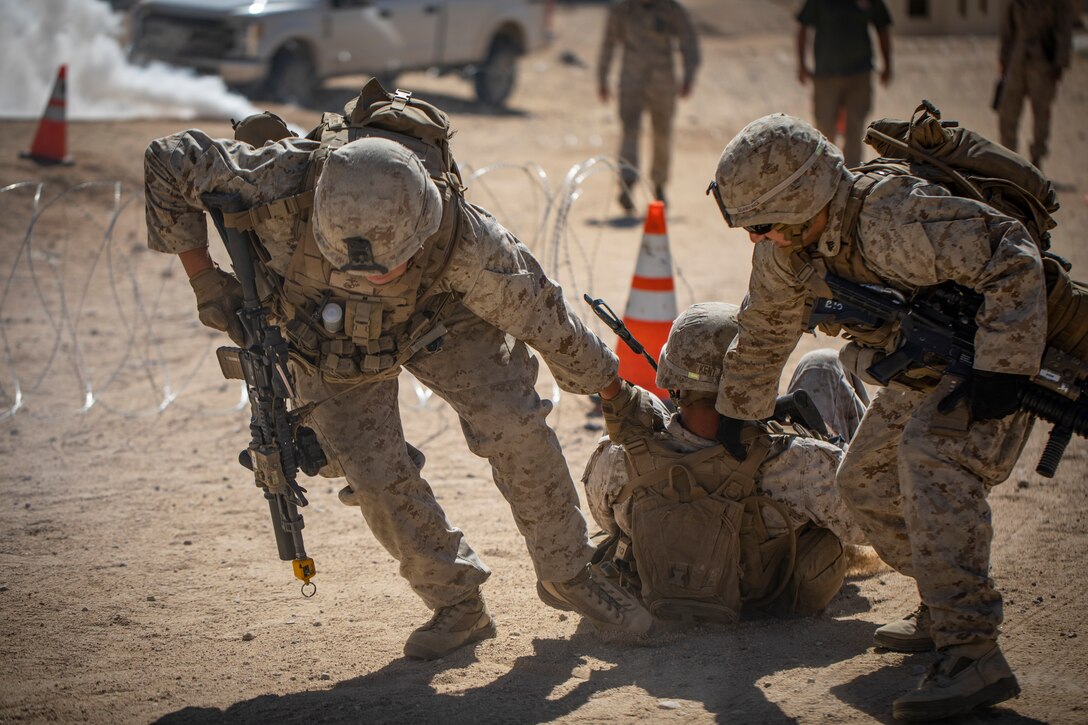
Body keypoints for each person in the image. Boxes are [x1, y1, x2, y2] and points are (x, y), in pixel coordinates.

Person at [143, 121, 653, 661]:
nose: (374, 279)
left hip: (439, 317)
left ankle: (567, 571)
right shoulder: (275, 179)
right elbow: (166, 159)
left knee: (513, 420)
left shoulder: (468, 243)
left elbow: (550, 320)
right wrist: (203, 280)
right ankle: (456, 603)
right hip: (325, 335)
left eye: (389, 267)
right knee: (369, 466)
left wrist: (613, 390)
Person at [707, 114, 1047, 720]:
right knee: (861, 480)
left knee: (930, 461)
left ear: (801, 201)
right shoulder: (790, 248)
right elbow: (763, 330)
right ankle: (943, 608)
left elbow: (1013, 252)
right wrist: (739, 412)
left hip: (1002, 362)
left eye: (763, 224)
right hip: (929, 371)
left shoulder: (892, 219)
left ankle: (971, 653)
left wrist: (1004, 366)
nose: (757, 239)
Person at [586, 301, 869, 623]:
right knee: (824, 362)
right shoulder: (802, 464)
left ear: (672, 379)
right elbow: (868, 529)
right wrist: (833, 449)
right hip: (770, 599)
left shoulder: (615, 458)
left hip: (665, 591)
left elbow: (608, 523)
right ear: (754, 380)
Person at [597, 0, 700, 209]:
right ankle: (627, 185)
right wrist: (602, 77)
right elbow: (609, 43)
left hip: (663, 81)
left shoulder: (670, 8)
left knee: (662, 134)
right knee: (630, 132)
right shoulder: (622, 9)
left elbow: (688, 42)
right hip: (631, 80)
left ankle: (660, 186)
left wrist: (689, 76)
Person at [796, 0, 893, 168]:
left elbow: (882, 26)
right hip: (826, 76)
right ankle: (824, 172)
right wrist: (801, 64)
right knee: (824, 130)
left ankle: (852, 176)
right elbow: (804, 26)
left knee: (854, 131)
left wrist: (888, 65)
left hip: (859, 75)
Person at [997, 0, 1074, 170]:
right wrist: (1003, 58)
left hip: (1043, 62)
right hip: (1017, 60)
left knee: (1041, 114)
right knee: (1007, 112)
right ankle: (1009, 159)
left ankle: (1036, 158)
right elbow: (1007, 28)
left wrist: (1060, 62)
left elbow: (1064, 28)